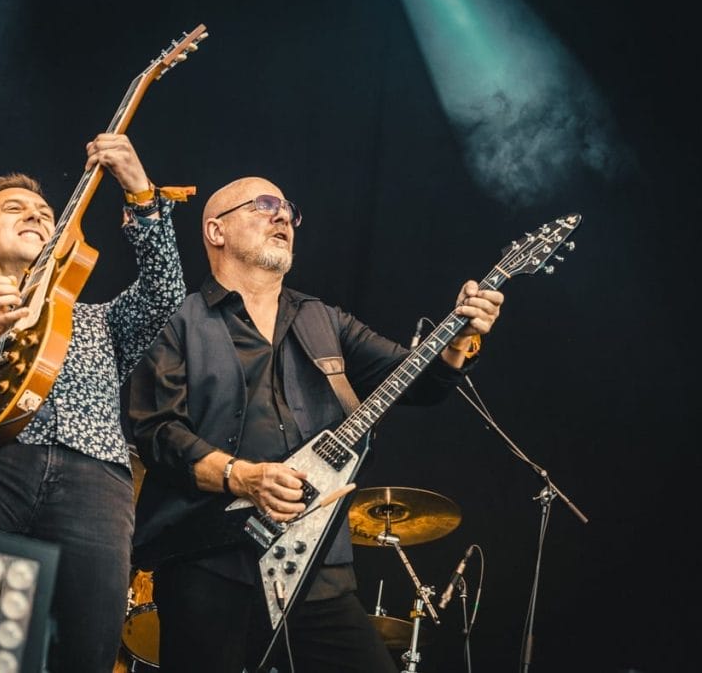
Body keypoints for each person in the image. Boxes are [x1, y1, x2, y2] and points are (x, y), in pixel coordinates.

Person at [127, 176, 505, 672]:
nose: (282, 216)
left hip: (317, 567)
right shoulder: (178, 318)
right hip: (207, 561)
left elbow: (417, 381)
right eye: (263, 205)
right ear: (216, 231)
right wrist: (242, 476)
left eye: (287, 209)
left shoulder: (321, 319)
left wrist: (458, 341)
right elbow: (156, 432)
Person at [0, 133, 188, 672]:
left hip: (93, 486)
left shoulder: (99, 321)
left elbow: (164, 294)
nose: (37, 216)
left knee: (87, 646)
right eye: (16, 210)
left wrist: (141, 195)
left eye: (44, 212)